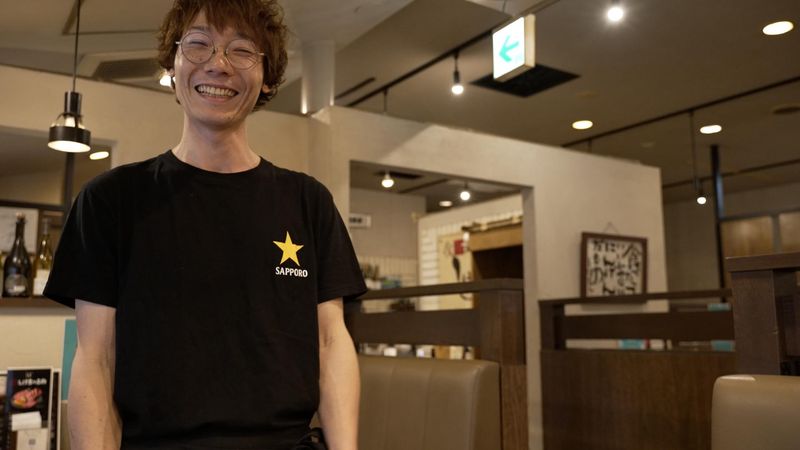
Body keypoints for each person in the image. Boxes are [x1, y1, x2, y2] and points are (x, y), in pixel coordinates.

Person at [43, 0, 366, 449]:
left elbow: (331, 344)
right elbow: (96, 359)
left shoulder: (308, 201)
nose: (218, 64)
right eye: (199, 45)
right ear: (172, 66)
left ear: (268, 78)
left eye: (242, 50)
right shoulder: (109, 201)